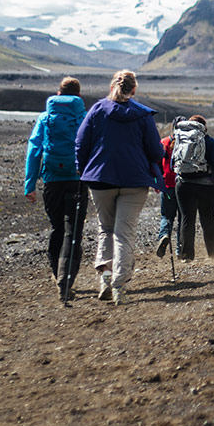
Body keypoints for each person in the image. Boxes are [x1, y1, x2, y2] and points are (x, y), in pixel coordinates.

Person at [75, 70, 164, 306]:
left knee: (106, 228)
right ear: (134, 89)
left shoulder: (97, 110)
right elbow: (156, 151)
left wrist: (83, 168)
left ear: (112, 85)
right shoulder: (143, 115)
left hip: (100, 179)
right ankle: (119, 285)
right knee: (124, 233)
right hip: (134, 181)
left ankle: (105, 278)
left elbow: (81, 142)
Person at [24, 76, 88, 302]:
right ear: (79, 96)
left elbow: (34, 150)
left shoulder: (45, 117)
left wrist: (29, 185)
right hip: (77, 181)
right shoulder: (83, 117)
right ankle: (67, 280)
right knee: (74, 233)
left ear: (58, 93)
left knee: (57, 228)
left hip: (51, 180)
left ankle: (56, 273)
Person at [173, 115, 214, 261]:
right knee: (207, 219)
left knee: (187, 219)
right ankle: (213, 252)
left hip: (183, 184)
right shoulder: (209, 141)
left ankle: (186, 255)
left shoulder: (180, 139)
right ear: (204, 127)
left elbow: (174, 160)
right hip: (205, 186)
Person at [155, 116, 185, 258]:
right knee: (182, 218)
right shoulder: (187, 143)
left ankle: (164, 234)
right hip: (183, 185)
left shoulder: (164, 142)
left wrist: (157, 181)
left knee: (166, 216)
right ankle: (180, 250)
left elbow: (158, 164)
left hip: (167, 184)